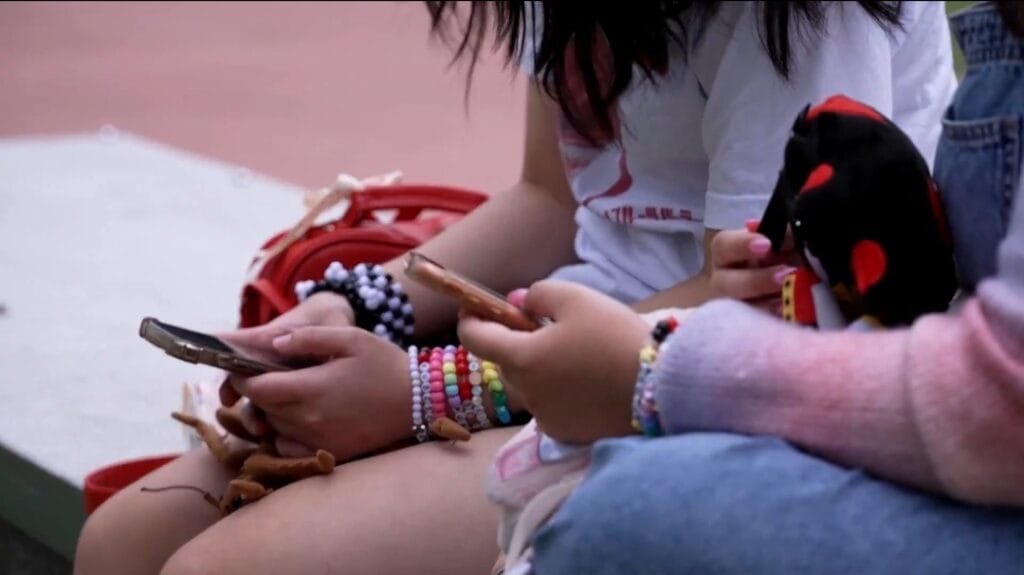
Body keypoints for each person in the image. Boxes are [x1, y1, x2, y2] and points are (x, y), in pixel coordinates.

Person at [73, 2, 957, 574]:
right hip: (564, 342)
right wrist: (352, 307)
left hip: (710, 388)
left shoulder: (796, 18)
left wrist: (423, 389)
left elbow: (769, 306)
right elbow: (548, 198)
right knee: (121, 543)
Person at [456, 2, 1024, 573]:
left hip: (898, 412)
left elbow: (996, 405)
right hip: (648, 349)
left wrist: (656, 369)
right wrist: (373, 300)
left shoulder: (796, 20)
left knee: (623, 514)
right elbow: (547, 199)